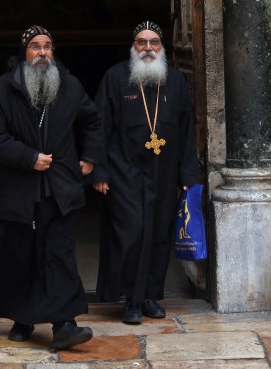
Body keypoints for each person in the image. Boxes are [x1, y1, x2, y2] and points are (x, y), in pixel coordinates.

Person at [0, 25, 103, 351]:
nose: (43, 52)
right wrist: (28, 157)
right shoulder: (1, 90)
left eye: (48, 46)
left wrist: (89, 158)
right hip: (19, 190)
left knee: (58, 256)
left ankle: (65, 324)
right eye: (35, 46)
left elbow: (92, 121)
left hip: (59, 188)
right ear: (24, 53)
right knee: (22, 256)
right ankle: (23, 318)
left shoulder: (70, 85)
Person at [92, 21, 200, 325]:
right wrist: (99, 169)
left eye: (154, 42)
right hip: (124, 169)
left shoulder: (175, 81)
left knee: (158, 234)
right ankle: (131, 299)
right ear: (133, 46)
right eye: (142, 42)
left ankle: (150, 296)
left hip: (164, 171)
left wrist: (188, 176)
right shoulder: (115, 78)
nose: (148, 48)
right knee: (133, 231)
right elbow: (99, 126)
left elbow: (186, 129)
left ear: (162, 47)